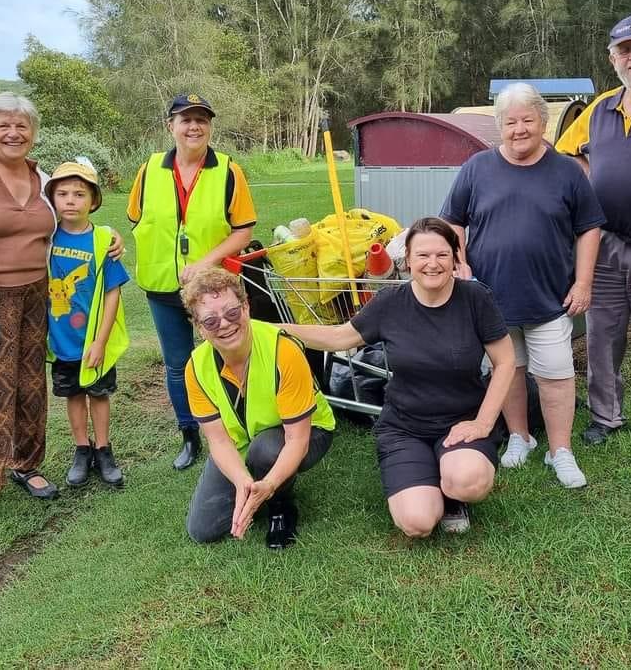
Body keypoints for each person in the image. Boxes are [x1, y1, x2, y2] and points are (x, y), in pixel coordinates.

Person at [0, 93, 123, 539]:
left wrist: (110, 241)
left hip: (39, 298)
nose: (14, 133)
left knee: (30, 386)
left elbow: (72, 228)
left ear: (33, 133)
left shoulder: (46, 180)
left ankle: (26, 464)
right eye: (4, 126)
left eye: (22, 126)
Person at [283, 217, 515, 537]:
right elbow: (339, 337)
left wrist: (484, 423)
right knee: (417, 523)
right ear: (408, 259)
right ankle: (424, 477)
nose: (432, 263)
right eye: (422, 255)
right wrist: (276, 330)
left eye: (442, 255)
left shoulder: (476, 299)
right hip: (405, 426)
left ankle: (451, 492)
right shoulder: (390, 303)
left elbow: (505, 362)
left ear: (454, 258)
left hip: (462, 418)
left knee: (468, 482)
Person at [441, 83, 605, 488]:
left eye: (527, 120)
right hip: (490, 298)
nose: (518, 130)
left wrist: (583, 281)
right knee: (508, 369)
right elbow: (452, 222)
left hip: (549, 296)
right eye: (510, 122)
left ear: (543, 123)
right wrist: (459, 264)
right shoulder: (476, 168)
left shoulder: (568, 171)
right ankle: (520, 437)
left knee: (555, 374)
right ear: (499, 126)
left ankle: (560, 450)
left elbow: (590, 229)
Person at [555, 15, 631, 453]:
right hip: (603, 243)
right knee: (602, 334)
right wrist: (587, 180)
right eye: (624, 50)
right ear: (613, 58)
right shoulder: (600, 108)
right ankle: (605, 416)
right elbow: (564, 155)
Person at [127, 94, 257, 471]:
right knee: (177, 363)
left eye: (202, 119)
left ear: (210, 127)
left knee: (227, 354)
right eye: (185, 119)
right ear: (171, 126)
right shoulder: (149, 169)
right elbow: (138, 217)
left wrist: (204, 261)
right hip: (163, 286)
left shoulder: (229, 170)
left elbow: (244, 230)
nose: (194, 126)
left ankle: (237, 428)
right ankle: (189, 436)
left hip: (213, 289)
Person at [182, 268, 335, 549]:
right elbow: (217, 440)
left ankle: (280, 505)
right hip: (243, 441)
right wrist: (241, 481)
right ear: (199, 328)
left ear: (246, 306)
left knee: (266, 451)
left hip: (306, 433)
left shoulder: (284, 350)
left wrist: (270, 483)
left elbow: (297, 440)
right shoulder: (195, 368)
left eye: (232, 313)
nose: (225, 325)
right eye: (211, 321)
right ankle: (253, 482)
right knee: (202, 529)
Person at [45, 161, 130, 489]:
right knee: (73, 394)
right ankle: (82, 448)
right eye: (62, 193)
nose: (70, 200)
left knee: (99, 393)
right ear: (52, 198)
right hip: (61, 339)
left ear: (93, 200)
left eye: (79, 194)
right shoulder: (46, 238)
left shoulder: (103, 241)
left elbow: (112, 294)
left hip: (94, 340)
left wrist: (100, 341)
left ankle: (103, 448)